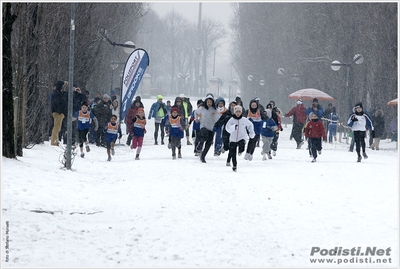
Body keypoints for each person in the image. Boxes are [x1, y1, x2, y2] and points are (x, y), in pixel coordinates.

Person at [225, 105, 255, 171]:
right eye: (236, 112)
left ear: (241, 112)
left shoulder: (244, 120)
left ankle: (240, 151)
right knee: (233, 153)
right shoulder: (231, 120)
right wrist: (233, 128)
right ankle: (234, 165)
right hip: (233, 139)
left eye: (239, 111)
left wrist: (251, 133)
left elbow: (250, 125)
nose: (238, 113)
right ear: (234, 112)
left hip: (242, 137)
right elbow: (227, 128)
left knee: (242, 145)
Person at [195, 93, 217, 163]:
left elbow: (218, 119)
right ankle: (200, 145)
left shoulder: (214, 110)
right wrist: (197, 119)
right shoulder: (202, 108)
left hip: (211, 128)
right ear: (206, 102)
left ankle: (203, 156)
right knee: (204, 135)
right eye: (208, 102)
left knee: (209, 143)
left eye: (211, 102)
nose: (209, 103)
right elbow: (195, 112)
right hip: (203, 126)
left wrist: (214, 116)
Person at [50, 81, 68, 146]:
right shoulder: (57, 94)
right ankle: (54, 142)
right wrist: (60, 111)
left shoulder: (59, 93)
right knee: (57, 128)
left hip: (59, 112)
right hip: (58, 113)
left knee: (58, 127)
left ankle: (55, 140)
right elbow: (57, 103)